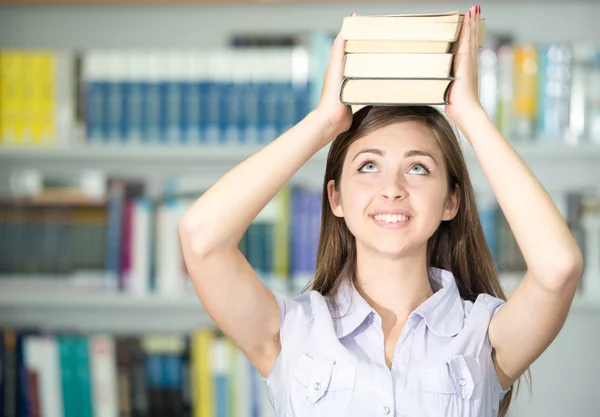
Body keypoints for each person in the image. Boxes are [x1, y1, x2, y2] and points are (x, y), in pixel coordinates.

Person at [178, 5, 583, 417]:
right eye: (368, 166)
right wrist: (323, 122)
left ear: (451, 201)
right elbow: (201, 237)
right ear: (335, 197)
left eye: (418, 168)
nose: (392, 189)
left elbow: (559, 269)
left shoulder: (483, 335)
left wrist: (469, 115)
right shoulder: (293, 331)